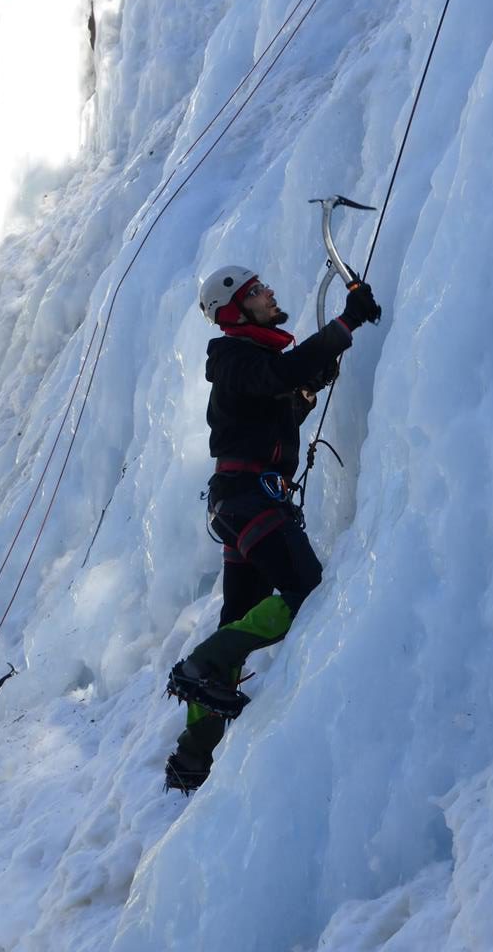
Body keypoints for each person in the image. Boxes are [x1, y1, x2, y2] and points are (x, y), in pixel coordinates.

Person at [164, 264, 380, 792]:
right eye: (257, 291)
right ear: (235, 310)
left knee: (237, 618)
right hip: (249, 498)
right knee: (305, 589)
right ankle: (197, 665)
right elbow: (281, 377)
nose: (269, 293)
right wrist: (343, 327)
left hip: (242, 502)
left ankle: (192, 759)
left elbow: (284, 400)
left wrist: (316, 376)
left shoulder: (255, 366)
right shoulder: (235, 356)